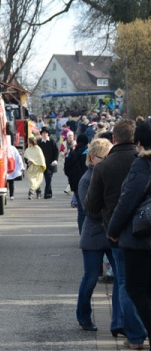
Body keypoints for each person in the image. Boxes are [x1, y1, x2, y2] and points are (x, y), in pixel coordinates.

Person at [85, 119, 146, 347]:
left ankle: (135, 335)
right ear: (136, 139)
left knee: (124, 282)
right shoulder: (143, 162)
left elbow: (91, 206)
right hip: (146, 231)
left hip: (116, 233)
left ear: (113, 139)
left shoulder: (103, 167)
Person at [108, 119, 151, 349]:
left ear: (140, 141)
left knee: (135, 288)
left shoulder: (142, 164)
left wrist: (113, 231)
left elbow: (127, 201)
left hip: (141, 238)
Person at [76, 138, 116, 332]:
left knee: (121, 278)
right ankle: (83, 316)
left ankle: (119, 320)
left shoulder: (109, 174)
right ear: (92, 158)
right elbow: (89, 210)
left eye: (110, 157)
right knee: (91, 278)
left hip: (112, 233)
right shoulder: (85, 180)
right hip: (93, 235)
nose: (108, 161)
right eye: (104, 157)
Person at [64, 134, 89, 234]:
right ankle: (87, 233)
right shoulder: (88, 153)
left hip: (75, 184)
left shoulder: (70, 153)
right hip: (87, 183)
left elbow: (66, 170)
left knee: (80, 211)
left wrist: (72, 177)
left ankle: (81, 233)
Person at [37, 127, 59, 199]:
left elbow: (56, 151)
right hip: (42, 164)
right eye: (43, 133)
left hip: (50, 164)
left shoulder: (52, 141)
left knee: (48, 178)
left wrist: (55, 160)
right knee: (44, 179)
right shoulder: (39, 143)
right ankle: (48, 193)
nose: (44, 134)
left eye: (46, 133)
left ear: (48, 134)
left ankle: (47, 193)